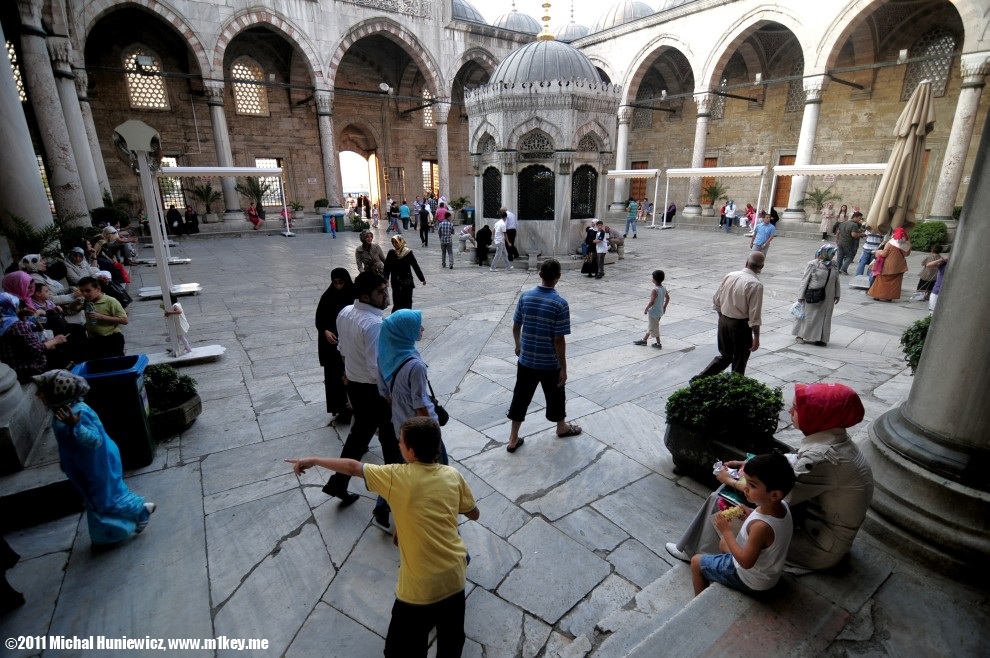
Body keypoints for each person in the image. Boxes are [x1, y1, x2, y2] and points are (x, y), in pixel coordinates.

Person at [287, 417, 479, 658]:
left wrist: (313, 460)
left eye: (401, 442)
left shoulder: (395, 476)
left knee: (399, 651)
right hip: (454, 577)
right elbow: (473, 514)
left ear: (410, 451)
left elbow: (352, 467)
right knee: (451, 647)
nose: (398, 445)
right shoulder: (452, 475)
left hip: (419, 589)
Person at [667, 383, 874, 574]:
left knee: (723, 503)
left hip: (817, 546)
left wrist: (729, 480)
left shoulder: (822, 458)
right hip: (823, 530)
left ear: (817, 415)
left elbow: (776, 494)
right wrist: (753, 463)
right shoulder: (836, 441)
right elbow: (793, 460)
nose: (790, 411)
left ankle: (697, 553)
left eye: (797, 407)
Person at [33, 369, 156, 545]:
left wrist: (76, 426)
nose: (38, 394)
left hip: (99, 464)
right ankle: (118, 525)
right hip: (87, 465)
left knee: (106, 499)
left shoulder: (77, 412)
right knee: (108, 494)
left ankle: (140, 509)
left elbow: (95, 440)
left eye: (41, 390)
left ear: (56, 392)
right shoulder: (63, 411)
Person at [321, 272, 403, 505]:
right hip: (373, 391)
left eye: (385, 288)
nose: (386, 294)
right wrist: (388, 395)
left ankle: (338, 483)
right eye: (381, 292)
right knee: (390, 442)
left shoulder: (345, 312)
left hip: (356, 387)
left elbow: (343, 350)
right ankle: (391, 499)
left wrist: (347, 374)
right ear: (365, 296)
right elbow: (377, 366)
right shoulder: (375, 324)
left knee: (359, 436)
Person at [374, 309, 449, 528]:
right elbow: (421, 405)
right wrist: (432, 429)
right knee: (439, 468)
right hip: (422, 429)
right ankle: (439, 509)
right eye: (418, 326)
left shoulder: (385, 354)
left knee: (400, 466)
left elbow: (384, 393)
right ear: (405, 331)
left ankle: (382, 504)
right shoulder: (414, 365)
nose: (422, 328)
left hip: (401, 426)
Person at [690, 453, 795, 596]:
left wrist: (726, 531)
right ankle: (721, 575)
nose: (745, 488)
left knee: (696, 562)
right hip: (768, 573)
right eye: (746, 481)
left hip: (751, 580)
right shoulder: (781, 506)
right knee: (722, 544)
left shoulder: (760, 526)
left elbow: (746, 562)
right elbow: (769, 527)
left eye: (752, 485)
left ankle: (700, 603)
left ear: (775, 495)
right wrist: (751, 512)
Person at [505, 259, 581, 453]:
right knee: (556, 395)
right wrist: (563, 367)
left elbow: (516, 326)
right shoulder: (560, 304)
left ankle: (513, 438)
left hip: (527, 360)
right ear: (559, 277)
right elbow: (558, 340)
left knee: (520, 397)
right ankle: (561, 427)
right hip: (549, 363)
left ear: (539, 274)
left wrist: (518, 345)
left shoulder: (525, 297)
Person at [693, 252, 765, 379]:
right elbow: (755, 315)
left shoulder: (730, 275)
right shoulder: (755, 285)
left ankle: (700, 378)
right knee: (739, 361)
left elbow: (716, 301)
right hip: (740, 325)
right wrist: (757, 337)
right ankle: (735, 389)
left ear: (746, 262)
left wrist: (722, 318)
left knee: (726, 356)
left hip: (724, 320)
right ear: (761, 267)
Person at [315, 268, 355, 425]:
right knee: (333, 377)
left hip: (348, 344)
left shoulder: (352, 296)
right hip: (332, 346)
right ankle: (339, 408)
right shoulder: (327, 296)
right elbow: (320, 319)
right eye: (335, 283)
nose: (338, 286)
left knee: (348, 376)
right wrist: (325, 331)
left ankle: (352, 408)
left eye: (341, 283)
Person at [0, 293, 68, 382]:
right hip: (30, 368)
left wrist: (21, 316)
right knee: (60, 354)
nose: (18, 308)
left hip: (14, 368)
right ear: (10, 308)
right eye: (16, 306)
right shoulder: (16, 325)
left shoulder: (5, 322)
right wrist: (55, 341)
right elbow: (36, 349)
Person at [793, 244, 841, 347]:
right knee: (809, 315)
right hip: (813, 294)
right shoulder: (812, 264)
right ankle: (800, 335)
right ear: (825, 253)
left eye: (834, 253)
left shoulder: (834, 265)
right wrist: (801, 296)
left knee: (824, 317)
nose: (833, 255)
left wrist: (837, 294)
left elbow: (837, 280)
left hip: (828, 295)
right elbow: (804, 280)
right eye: (832, 253)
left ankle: (820, 338)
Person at [78, 276, 128, 359]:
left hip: (111, 339)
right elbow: (73, 309)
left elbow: (124, 320)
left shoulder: (111, 301)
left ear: (98, 289)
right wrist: (75, 303)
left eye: (88, 291)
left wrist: (102, 317)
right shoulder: (87, 302)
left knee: (115, 363)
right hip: (94, 340)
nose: (84, 294)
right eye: (82, 291)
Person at [383, 236, 426, 312]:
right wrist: (386, 279)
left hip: (407, 281)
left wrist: (422, 279)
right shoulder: (391, 253)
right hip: (396, 282)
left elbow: (415, 266)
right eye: (393, 242)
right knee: (397, 303)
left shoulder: (408, 252)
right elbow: (387, 268)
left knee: (407, 302)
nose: (394, 244)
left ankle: (407, 319)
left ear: (401, 242)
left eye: (396, 242)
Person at [868, 227, 911, 302]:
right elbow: (907, 254)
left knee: (881, 280)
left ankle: (877, 295)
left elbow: (884, 254)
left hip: (888, 265)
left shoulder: (890, 243)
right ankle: (889, 297)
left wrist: (878, 252)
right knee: (894, 283)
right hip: (900, 266)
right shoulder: (907, 244)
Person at [634, 270, 669, 349]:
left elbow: (652, 301)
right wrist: (664, 307)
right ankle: (644, 340)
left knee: (654, 327)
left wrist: (646, 308)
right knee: (652, 326)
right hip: (660, 311)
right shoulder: (663, 288)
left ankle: (658, 343)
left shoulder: (655, 290)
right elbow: (668, 298)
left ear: (654, 279)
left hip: (653, 312)